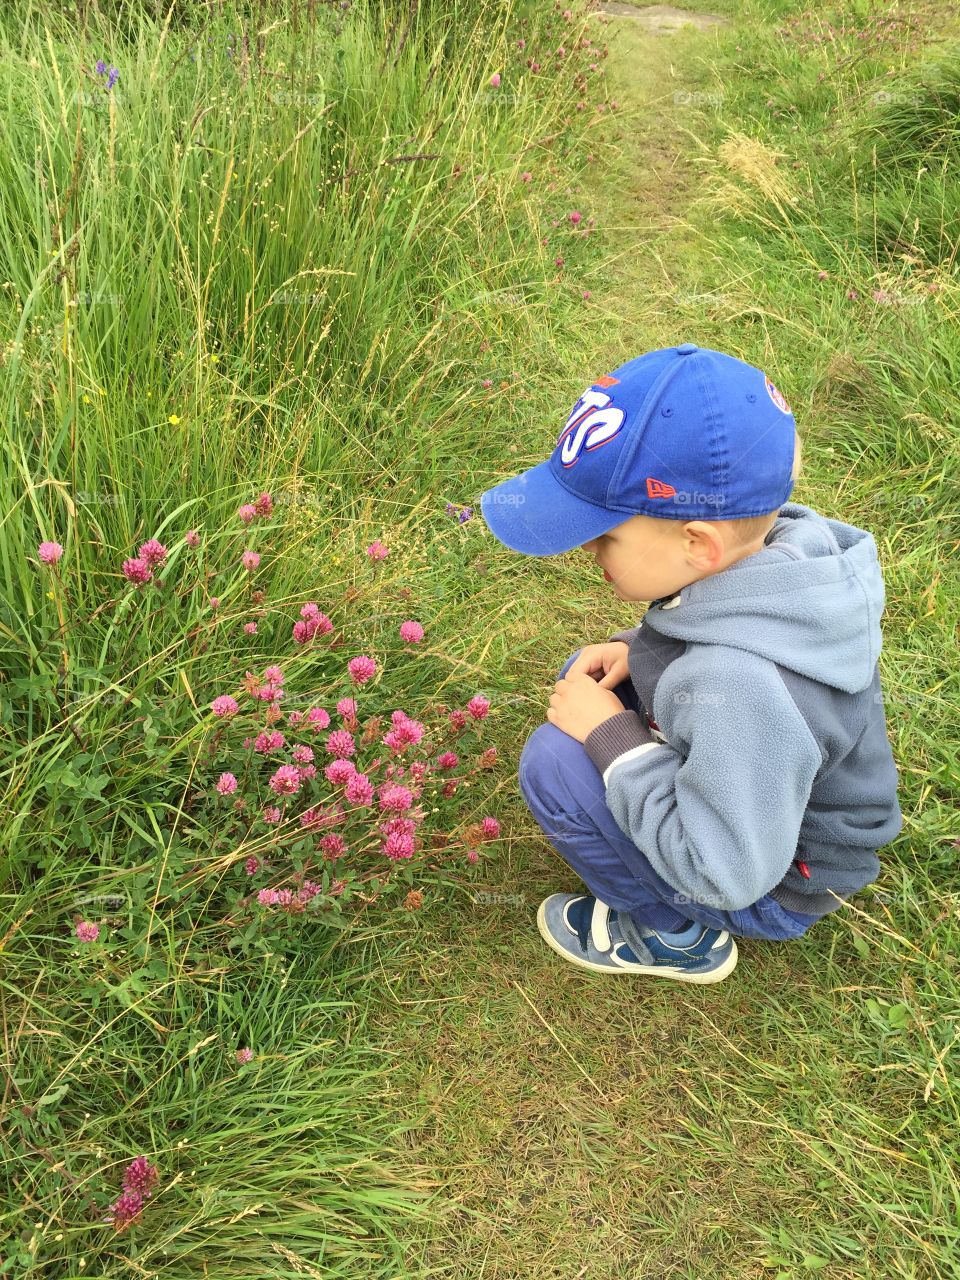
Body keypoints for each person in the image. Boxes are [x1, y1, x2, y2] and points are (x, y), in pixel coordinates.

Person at [478, 344, 903, 984]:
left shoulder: (736, 685)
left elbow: (726, 871)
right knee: (591, 677)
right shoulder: (791, 553)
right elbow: (719, 624)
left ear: (698, 545)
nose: (588, 549)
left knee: (557, 764)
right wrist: (637, 648)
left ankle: (673, 935)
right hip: (764, 791)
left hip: (768, 879)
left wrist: (614, 741)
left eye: (606, 534)